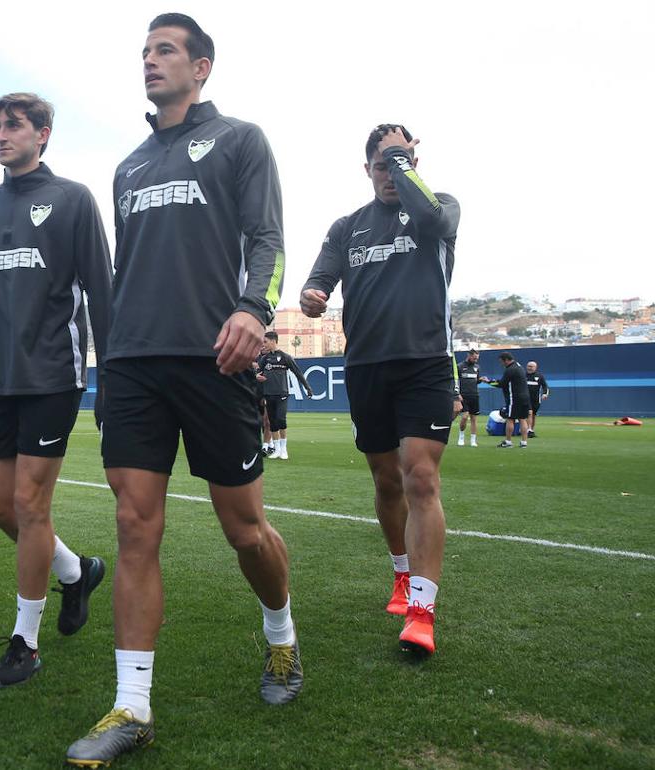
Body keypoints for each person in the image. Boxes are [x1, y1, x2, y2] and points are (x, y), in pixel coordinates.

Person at [66, 16, 298, 766]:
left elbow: (267, 239)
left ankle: (282, 638)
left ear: (202, 66)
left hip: (215, 362)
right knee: (136, 527)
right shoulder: (129, 166)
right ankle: (131, 706)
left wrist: (252, 311)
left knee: (244, 531)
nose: (149, 62)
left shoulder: (240, 140)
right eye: (143, 52)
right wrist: (106, 363)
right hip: (133, 363)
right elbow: (120, 274)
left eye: (164, 51)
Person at [0, 92, 112, 688]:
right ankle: (75, 568)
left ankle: (25, 642)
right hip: (0, 382)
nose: (1, 135)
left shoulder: (72, 200)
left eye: (14, 126)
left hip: (52, 377)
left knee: (32, 505)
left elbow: (101, 293)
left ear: (43, 135)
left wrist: (109, 376)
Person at [301, 123, 461, 658]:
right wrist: (313, 294)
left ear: (414, 163)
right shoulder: (348, 227)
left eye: (400, 162)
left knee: (420, 476)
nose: (390, 172)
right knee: (386, 479)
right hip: (367, 367)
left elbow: (432, 216)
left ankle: (422, 610)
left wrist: (403, 162)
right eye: (381, 163)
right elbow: (319, 278)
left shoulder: (439, 209)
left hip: (425, 363)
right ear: (365, 168)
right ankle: (400, 572)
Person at [256, 331, 313, 460]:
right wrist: (256, 376)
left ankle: (284, 449)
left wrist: (307, 387)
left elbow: (298, 373)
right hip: (268, 395)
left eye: (265, 342)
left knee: (281, 419)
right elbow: (257, 372)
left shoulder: (285, 357)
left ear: (273, 341)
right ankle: (277, 450)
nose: (263, 345)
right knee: (273, 422)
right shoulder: (265, 359)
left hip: (282, 394)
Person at [484, 352, 529, 448]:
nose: (502, 364)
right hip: (525, 397)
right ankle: (524, 442)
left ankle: (508, 442)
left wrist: (488, 381)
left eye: (502, 362)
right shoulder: (519, 366)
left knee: (510, 419)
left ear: (506, 360)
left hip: (515, 398)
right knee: (522, 419)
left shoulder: (510, 370)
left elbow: (501, 384)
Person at [456, 349, 481, 446]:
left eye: (477, 358)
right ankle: (461, 436)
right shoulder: (460, 366)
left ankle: (473, 440)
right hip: (463, 396)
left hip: (474, 395)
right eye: (474, 358)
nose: (476, 360)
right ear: (469, 356)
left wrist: (480, 380)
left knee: (474, 418)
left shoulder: (477, 367)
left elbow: (476, 380)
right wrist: (457, 393)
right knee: (465, 417)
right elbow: (456, 381)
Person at [525, 360, 550, 437]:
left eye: (531, 366)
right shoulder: (522, 375)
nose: (529, 368)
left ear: (535, 367)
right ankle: (527, 429)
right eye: (528, 366)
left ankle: (531, 430)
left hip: (536, 399)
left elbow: (545, 386)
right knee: (529, 413)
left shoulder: (539, 376)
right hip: (525, 399)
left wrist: (545, 394)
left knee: (533, 415)